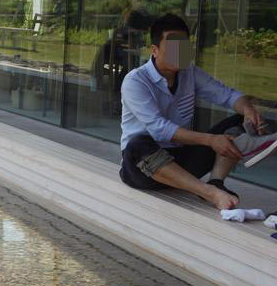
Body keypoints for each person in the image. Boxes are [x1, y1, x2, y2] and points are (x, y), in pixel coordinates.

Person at [119, 13, 277, 210]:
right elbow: (160, 130)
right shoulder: (135, 81)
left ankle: (216, 182)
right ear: (155, 50)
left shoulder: (189, 73)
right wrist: (211, 140)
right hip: (143, 169)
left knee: (238, 121)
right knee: (137, 144)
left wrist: (248, 109)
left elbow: (227, 96)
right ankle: (209, 193)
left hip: (181, 160)